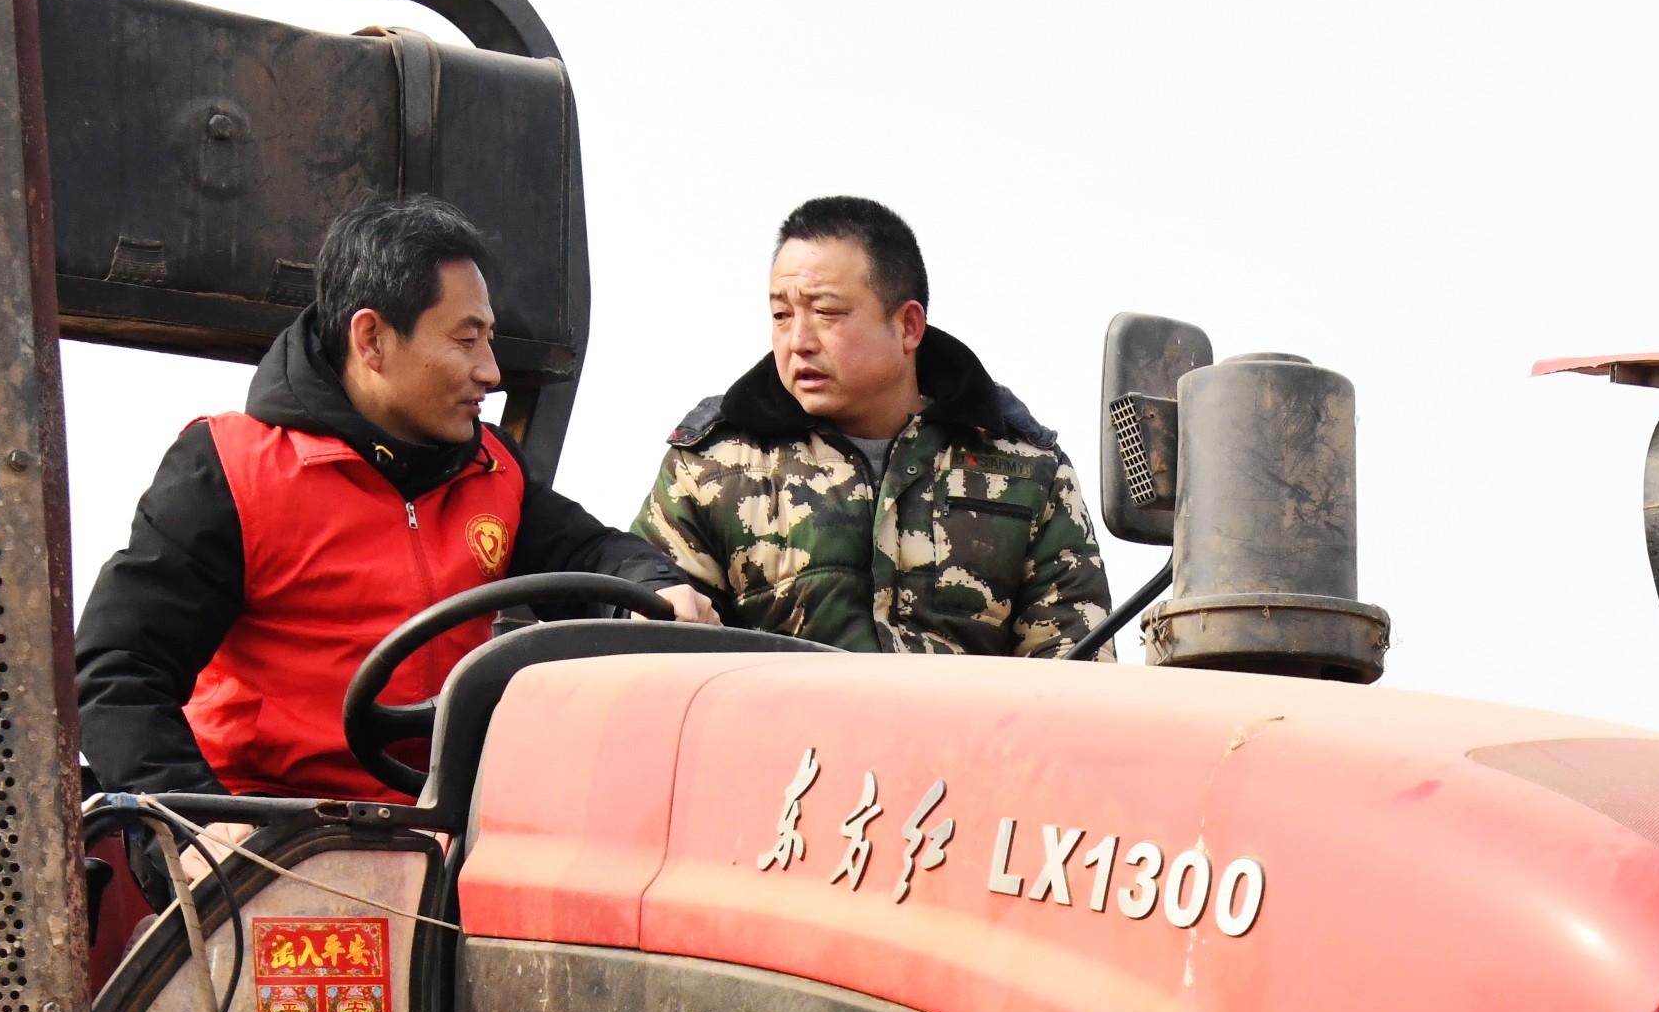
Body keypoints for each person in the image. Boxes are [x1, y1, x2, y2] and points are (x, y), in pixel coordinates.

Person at [76, 194, 695, 803]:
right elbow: (116, 672)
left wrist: (654, 585)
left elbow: (589, 552)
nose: (491, 372)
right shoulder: (230, 470)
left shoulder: (493, 468)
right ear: (370, 339)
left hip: (447, 826)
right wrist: (203, 826)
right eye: (465, 340)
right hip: (273, 834)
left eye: (490, 340)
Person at [633, 196, 1112, 658]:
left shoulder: (1026, 472)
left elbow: (1076, 679)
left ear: (908, 327)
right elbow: (653, 650)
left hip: (972, 741)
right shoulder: (712, 468)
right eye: (781, 315)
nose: (798, 341)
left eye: (827, 313)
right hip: (778, 739)